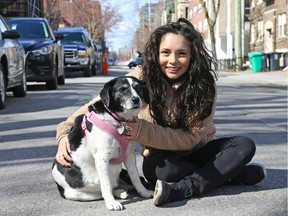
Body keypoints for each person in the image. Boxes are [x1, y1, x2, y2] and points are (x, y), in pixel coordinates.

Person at [55, 18, 266, 207]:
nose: (173, 61)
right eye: (166, 53)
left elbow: (191, 138)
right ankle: (225, 175)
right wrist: (65, 132)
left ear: (192, 56)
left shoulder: (204, 85)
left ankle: (183, 189)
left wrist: (142, 131)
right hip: (163, 159)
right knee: (163, 173)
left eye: (181, 53)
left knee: (244, 145)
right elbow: (100, 104)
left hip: (198, 150)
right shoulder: (143, 77)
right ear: (156, 54)